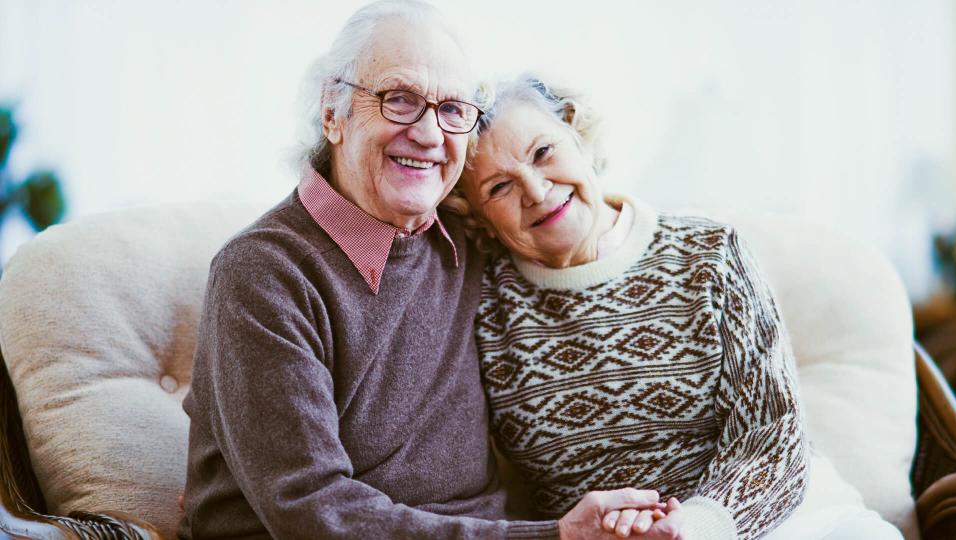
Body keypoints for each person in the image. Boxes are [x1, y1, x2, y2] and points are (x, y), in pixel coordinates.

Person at [178, 2, 666, 539]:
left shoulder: (465, 243)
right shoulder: (262, 275)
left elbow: (573, 232)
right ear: (332, 114)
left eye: (453, 110)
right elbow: (312, 511)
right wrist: (551, 537)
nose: (431, 135)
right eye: (400, 100)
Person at [447, 75, 812, 540]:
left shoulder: (708, 255)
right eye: (499, 187)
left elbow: (774, 433)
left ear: (579, 136)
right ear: (478, 216)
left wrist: (695, 527)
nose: (536, 191)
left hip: (749, 527)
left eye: (544, 153)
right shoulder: (483, 308)